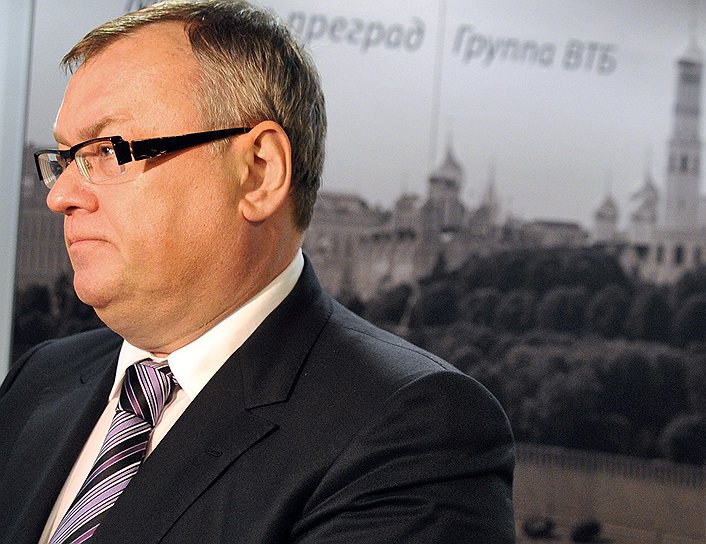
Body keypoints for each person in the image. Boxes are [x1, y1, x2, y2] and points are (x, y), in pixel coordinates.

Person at [0, 1, 515, 542]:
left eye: (107, 151)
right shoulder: (40, 378)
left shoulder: (416, 432)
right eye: (63, 159)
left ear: (259, 173)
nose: (60, 195)